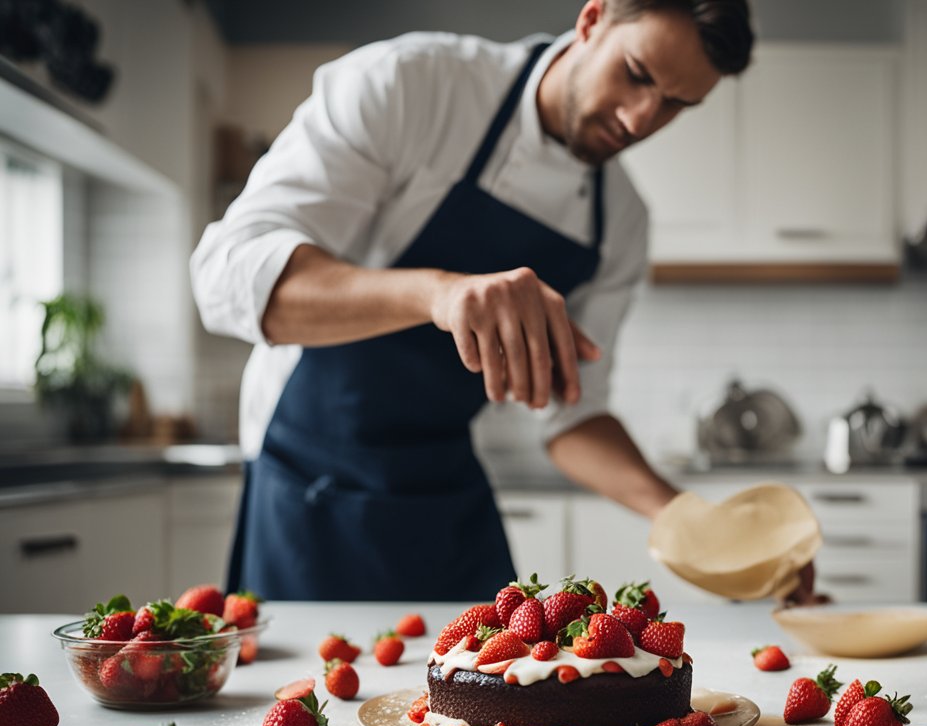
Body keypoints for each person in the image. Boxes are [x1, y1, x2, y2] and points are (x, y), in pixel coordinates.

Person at [190, 0, 755, 601]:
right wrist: (440, 293)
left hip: (446, 491)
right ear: (591, 22)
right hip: (310, 482)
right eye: (637, 74)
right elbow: (225, 278)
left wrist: (694, 523)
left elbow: (573, 413)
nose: (641, 118)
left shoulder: (619, 222)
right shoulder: (411, 86)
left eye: (676, 104)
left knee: (501, 689)